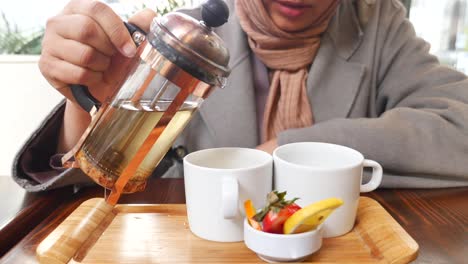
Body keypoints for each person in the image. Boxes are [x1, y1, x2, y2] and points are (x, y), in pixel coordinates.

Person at [12, 0, 468, 192]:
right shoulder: (187, 39)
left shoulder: (380, 26)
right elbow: (104, 183)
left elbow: (460, 125)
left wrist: (294, 151)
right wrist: (85, 97)